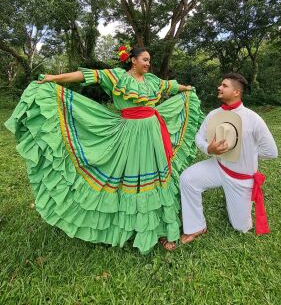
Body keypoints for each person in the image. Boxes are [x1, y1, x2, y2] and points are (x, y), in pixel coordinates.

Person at [5, 46, 204, 254]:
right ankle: (127, 228)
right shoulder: (117, 77)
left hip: (154, 133)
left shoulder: (152, 81)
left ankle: (163, 230)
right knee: (129, 177)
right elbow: (85, 75)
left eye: (149, 60)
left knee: (158, 179)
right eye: (144, 59)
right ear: (133, 60)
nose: (148, 63)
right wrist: (55, 77)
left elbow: (171, 87)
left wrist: (187, 88)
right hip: (129, 133)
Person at [179, 72, 278, 244]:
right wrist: (209, 148)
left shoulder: (253, 119)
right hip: (218, 167)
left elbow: (271, 152)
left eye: (224, 85)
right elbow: (199, 138)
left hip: (241, 178)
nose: (219, 87)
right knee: (187, 179)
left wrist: (247, 153)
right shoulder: (213, 115)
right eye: (220, 84)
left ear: (236, 92)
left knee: (241, 228)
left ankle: (237, 206)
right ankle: (196, 226)